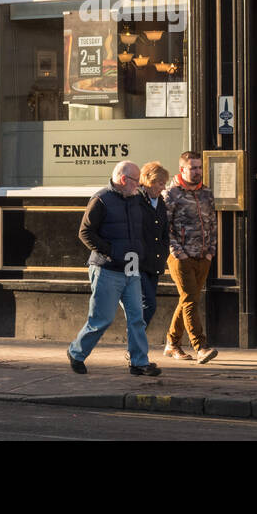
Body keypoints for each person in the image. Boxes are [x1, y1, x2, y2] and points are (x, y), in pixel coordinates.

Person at [67, 161, 160, 376]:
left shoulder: (137, 199)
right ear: (124, 179)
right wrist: (111, 252)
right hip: (107, 269)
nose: (140, 185)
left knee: (137, 316)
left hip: (132, 267)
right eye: (137, 180)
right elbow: (85, 233)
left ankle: (139, 362)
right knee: (102, 318)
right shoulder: (101, 200)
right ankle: (76, 352)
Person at [164, 150, 218, 364]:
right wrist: (179, 252)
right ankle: (200, 346)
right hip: (181, 257)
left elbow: (213, 223)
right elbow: (164, 229)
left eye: (199, 167)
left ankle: (172, 343)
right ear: (182, 169)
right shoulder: (171, 194)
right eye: (192, 168)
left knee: (188, 300)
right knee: (190, 300)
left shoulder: (206, 193)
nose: (197, 172)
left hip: (203, 256)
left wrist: (211, 251)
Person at [130, 161, 171, 363]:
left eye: (164, 183)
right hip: (138, 263)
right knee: (149, 305)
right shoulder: (136, 200)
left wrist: (163, 252)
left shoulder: (160, 202)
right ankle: (135, 348)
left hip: (154, 264)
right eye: (160, 183)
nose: (163, 187)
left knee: (145, 306)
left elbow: (164, 232)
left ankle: (135, 349)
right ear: (148, 181)